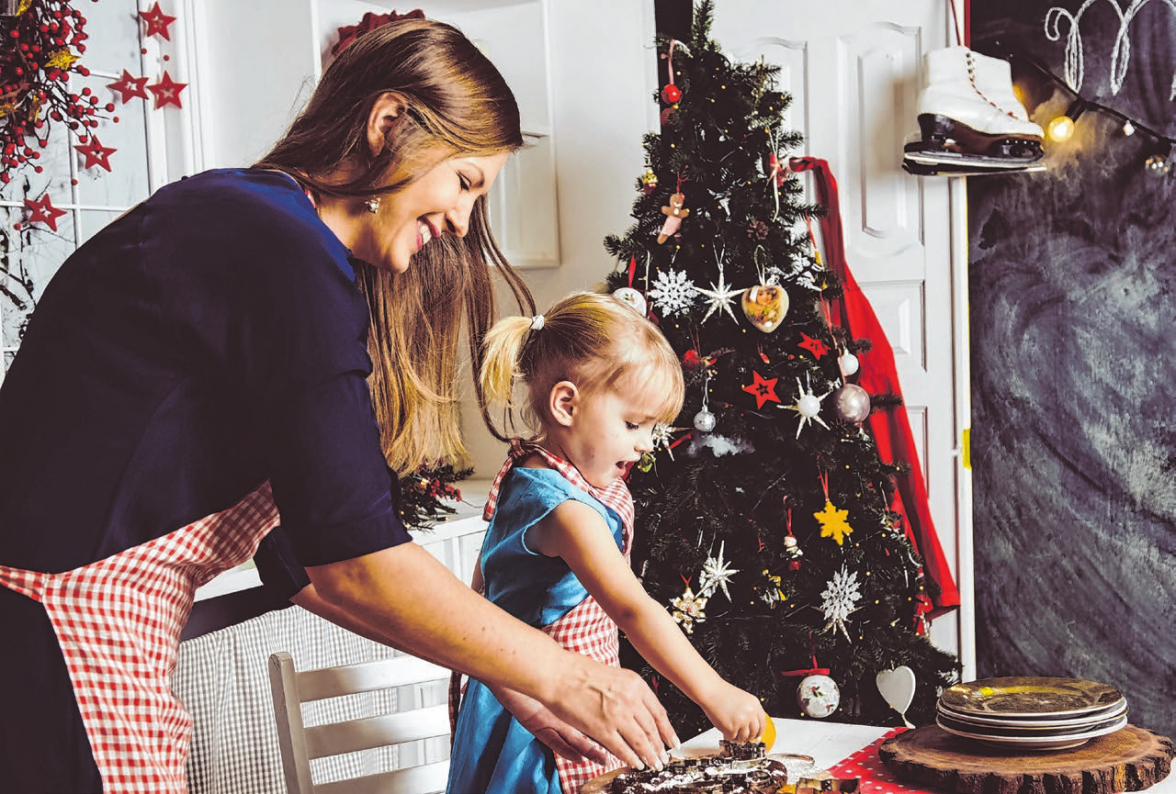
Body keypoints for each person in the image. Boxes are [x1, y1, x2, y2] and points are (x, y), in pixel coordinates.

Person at [0, 19, 674, 794]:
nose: (462, 221)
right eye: (464, 183)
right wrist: (569, 678)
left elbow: (299, 559)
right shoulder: (281, 251)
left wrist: (519, 688)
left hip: (79, 643)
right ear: (389, 124)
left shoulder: (259, 228)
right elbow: (353, 563)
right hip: (55, 646)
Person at [448, 292, 768, 794]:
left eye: (652, 427)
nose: (645, 442)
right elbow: (634, 609)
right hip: (538, 725)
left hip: (546, 692)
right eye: (633, 424)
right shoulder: (566, 510)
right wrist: (715, 692)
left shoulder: (536, 472)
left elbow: (482, 587)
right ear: (566, 404)